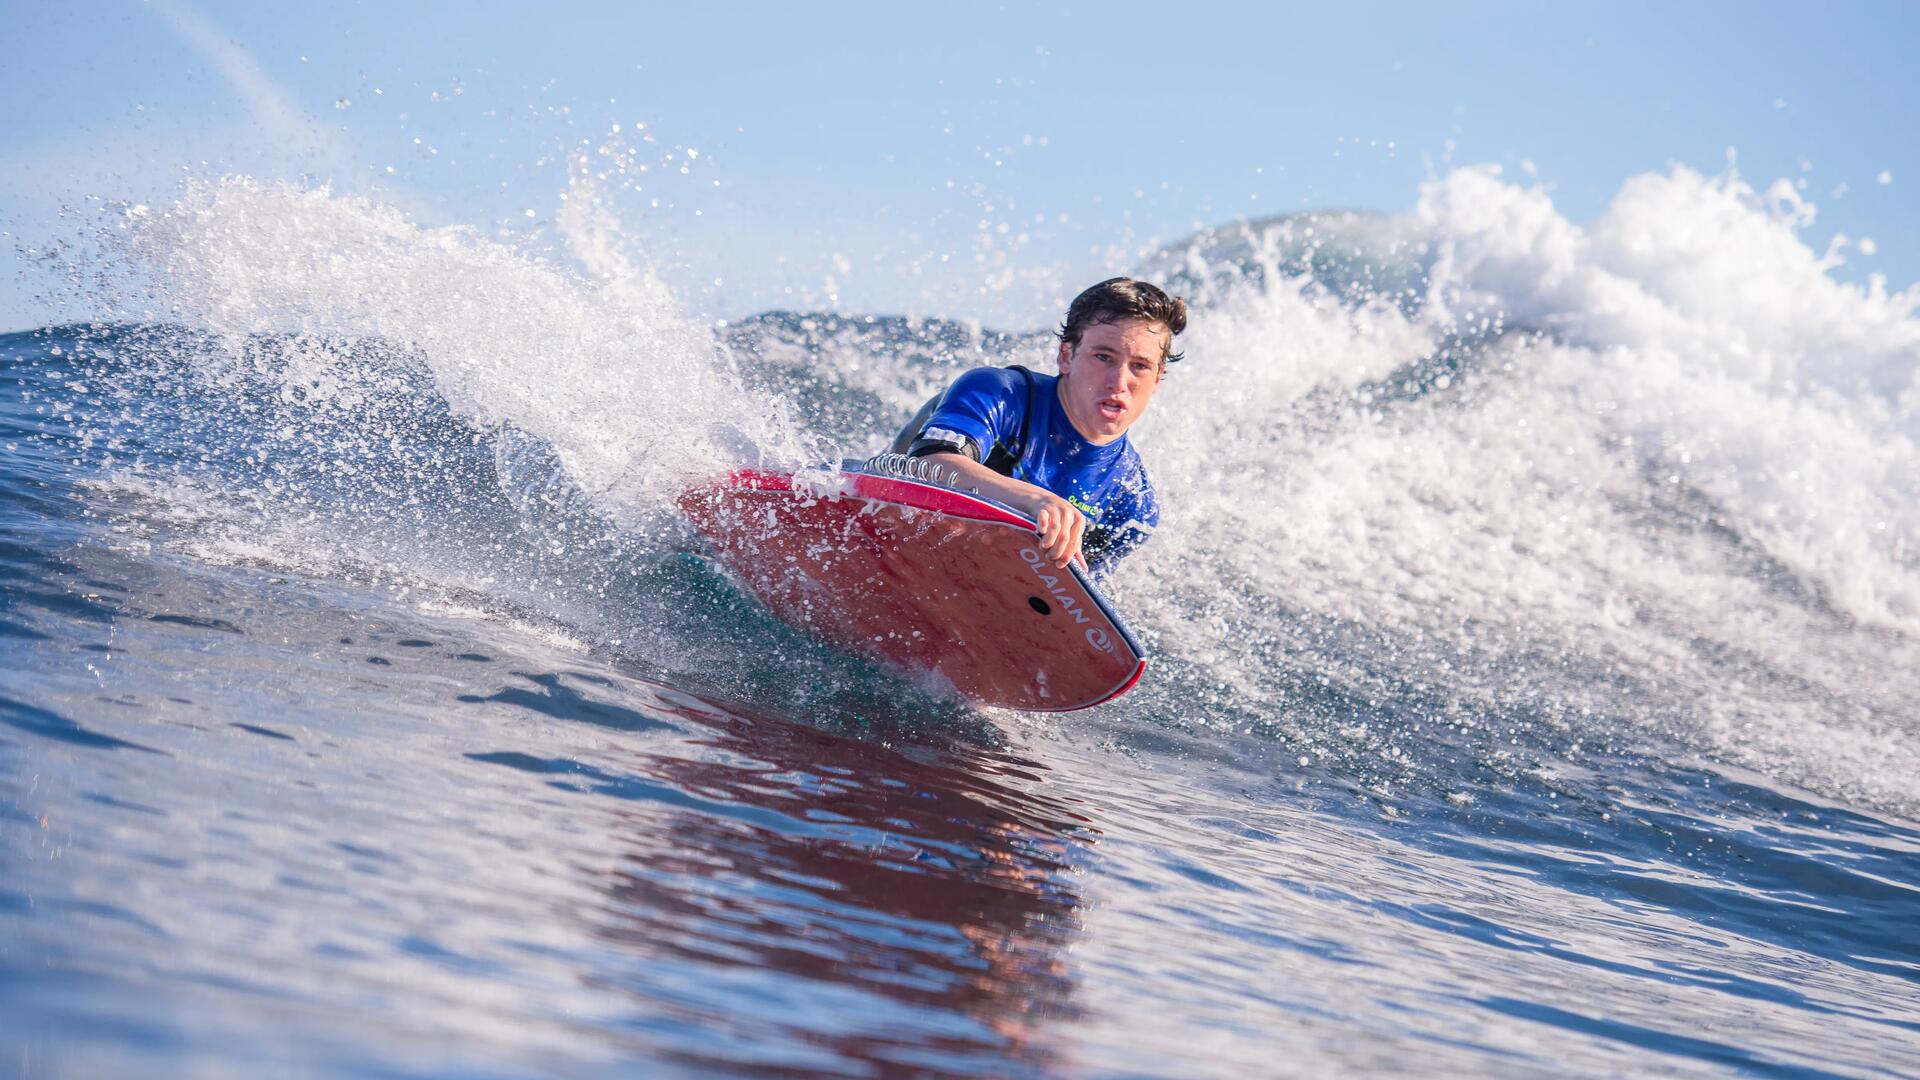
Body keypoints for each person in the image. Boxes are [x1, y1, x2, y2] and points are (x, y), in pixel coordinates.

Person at [890, 277, 1185, 577]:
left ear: (1158, 378)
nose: (1119, 383)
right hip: (896, 535)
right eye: (1103, 357)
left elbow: (1077, 599)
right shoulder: (1001, 396)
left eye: (1140, 366)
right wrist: (1034, 499)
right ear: (1066, 356)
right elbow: (923, 466)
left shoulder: (1131, 503)